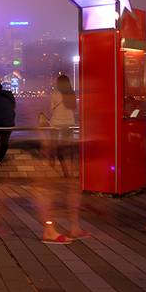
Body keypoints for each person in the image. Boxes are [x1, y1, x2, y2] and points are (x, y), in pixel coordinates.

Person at [38, 74, 87, 244]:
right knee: (67, 149)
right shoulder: (71, 94)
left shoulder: (54, 94)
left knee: (55, 148)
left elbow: (51, 109)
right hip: (68, 123)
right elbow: (73, 108)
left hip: (56, 123)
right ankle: (68, 171)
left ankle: (55, 165)